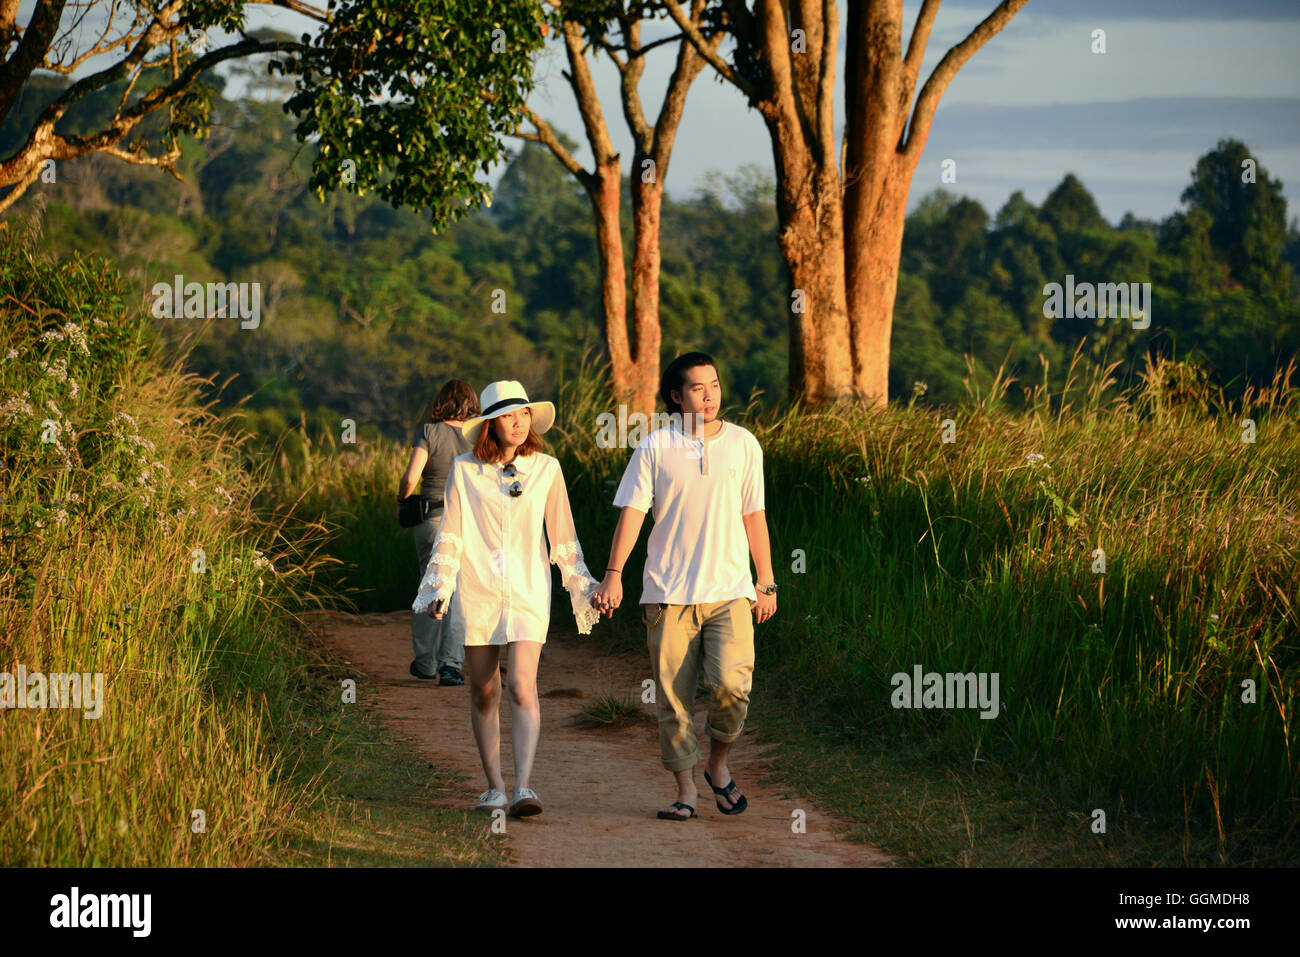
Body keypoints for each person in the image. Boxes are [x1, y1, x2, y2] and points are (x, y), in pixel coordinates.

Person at [590, 353, 776, 820]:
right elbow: (632, 514)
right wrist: (613, 574)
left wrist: (766, 581)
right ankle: (686, 790)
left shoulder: (743, 444)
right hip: (667, 593)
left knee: (733, 687)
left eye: (714, 385)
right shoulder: (655, 445)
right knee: (673, 701)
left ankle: (717, 763)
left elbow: (754, 515)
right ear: (676, 396)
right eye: (697, 388)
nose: (710, 395)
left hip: (730, 590)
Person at [412, 380, 602, 817]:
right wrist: (440, 588)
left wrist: (584, 588)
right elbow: (451, 532)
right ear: (490, 425)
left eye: (523, 414)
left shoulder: (547, 469)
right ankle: (494, 788)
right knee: (484, 690)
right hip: (478, 589)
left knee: (520, 684)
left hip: (529, 588)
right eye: (507, 416)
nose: (518, 423)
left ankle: (523, 788)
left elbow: (563, 535)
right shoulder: (464, 469)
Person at [398, 379, 478, 685]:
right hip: (467, 523)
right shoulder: (479, 434)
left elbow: (410, 478)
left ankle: (425, 662)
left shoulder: (429, 432)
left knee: (430, 586)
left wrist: (402, 499)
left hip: (431, 519)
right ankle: (451, 665)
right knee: (460, 593)